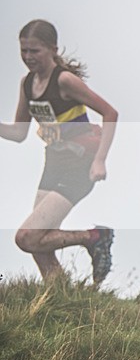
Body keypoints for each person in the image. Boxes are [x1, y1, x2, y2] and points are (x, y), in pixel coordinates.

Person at [0, 19, 118, 285]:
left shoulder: (64, 80)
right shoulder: (27, 84)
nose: (28, 57)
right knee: (40, 246)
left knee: (27, 238)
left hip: (81, 163)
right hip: (53, 163)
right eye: (24, 51)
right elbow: (18, 133)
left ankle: (95, 238)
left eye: (35, 51)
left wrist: (100, 160)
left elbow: (110, 113)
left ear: (53, 49)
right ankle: (61, 299)